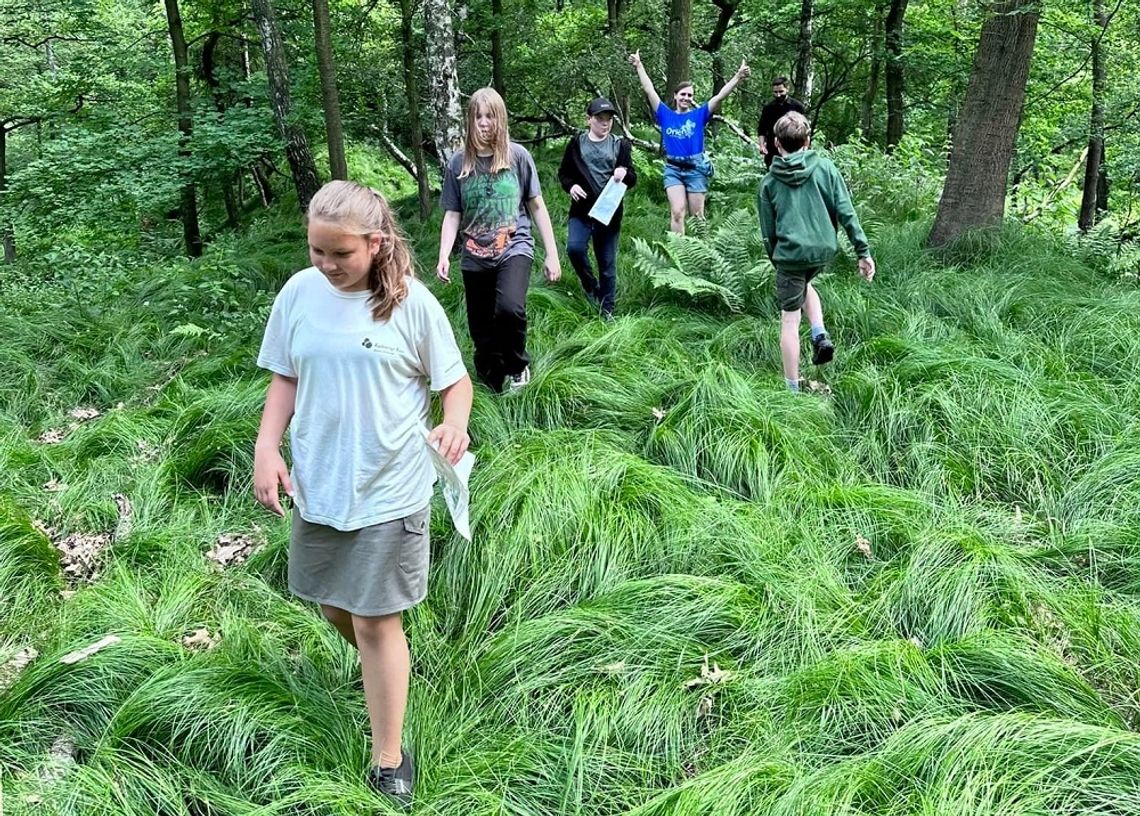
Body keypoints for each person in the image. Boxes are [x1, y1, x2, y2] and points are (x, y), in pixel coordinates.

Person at [254, 180, 473, 807]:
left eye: (338, 254)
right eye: (316, 251)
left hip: (390, 485)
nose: (324, 265)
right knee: (332, 606)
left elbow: (454, 384)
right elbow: (284, 377)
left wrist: (453, 424)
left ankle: (390, 756)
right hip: (321, 482)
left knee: (375, 621)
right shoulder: (299, 293)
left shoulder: (412, 306)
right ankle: (392, 667)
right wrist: (267, 449)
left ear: (377, 244)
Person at [437, 87, 561, 392]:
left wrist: (552, 254)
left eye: (490, 116)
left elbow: (536, 205)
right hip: (474, 253)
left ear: (500, 119)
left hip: (514, 245)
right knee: (481, 330)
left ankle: (518, 366)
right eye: (478, 116)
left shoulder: (518, 157)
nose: (483, 122)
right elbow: (452, 214)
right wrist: (443, 255)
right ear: (470, 120)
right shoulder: (458, 164)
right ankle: (491, 381)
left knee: (509, 309)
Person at [757, 112, 875, 392]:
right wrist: (863, 252)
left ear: (776, 143)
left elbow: (767, 231)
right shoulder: (826, 169)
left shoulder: (769, 183)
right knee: (806, 283)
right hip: (821, 252)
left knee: (789, 319)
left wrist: (778, 258)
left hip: (790, 255)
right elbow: (847, 212)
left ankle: (791, 389)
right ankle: (820, 333)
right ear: (807, 141)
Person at [628, 51, 751, 233]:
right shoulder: (665, 115)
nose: (686, 98)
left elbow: (720, 97)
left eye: (690, 95)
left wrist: (738, 77)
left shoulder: (698, 115)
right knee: (677, 212)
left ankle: (700, 255)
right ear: (675, 96)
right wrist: (639, 65)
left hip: (695, 169)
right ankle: (678, 252)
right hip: (673, 169)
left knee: (697, 216)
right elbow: (649, 90)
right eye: (683, 94)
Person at [557, 96, 638, 321]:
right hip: (581, 211)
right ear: (589, 119)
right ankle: (590, 285)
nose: (605, 123)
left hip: (608, 213)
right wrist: (571, 186)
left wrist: (625, 174)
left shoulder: (619, 144)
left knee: (607, 263)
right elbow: (564, 173)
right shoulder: (576, 143)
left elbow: (632, 178)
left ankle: (607, 310)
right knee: (574, 248)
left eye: (609, 119)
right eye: (600, 119)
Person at [757, 76, 807, 169]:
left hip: (793, 148)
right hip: (773, 150)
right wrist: (761, 146)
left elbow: (804, 129)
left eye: (781, 92)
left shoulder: (797, 106)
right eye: (775, 92)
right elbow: (762, 129)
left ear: (787, 89)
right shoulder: (768, 108)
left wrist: (805, 146)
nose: (778, 95)